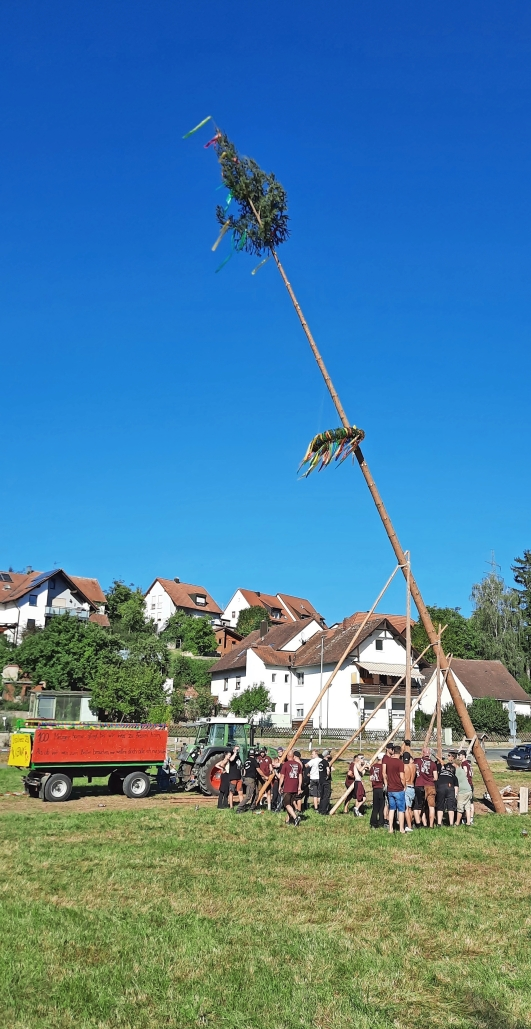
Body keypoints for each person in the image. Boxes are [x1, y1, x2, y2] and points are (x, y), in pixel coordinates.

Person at [382, 742, 406, 834]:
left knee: (392, 809)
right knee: (401, 810)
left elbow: (384, 774)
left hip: (390, 789)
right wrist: (404, 786)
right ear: (399, 752)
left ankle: (391, 828)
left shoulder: (388, 761)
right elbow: (402, 777)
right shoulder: (400, 763)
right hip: (398, 789)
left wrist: (387, 784)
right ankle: (401, 829)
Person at [413, 747, 438, 828]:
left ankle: (419, 823)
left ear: (422, 753)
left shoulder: (416, 761)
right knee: (431, 807)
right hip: (430, 785)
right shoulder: (433, 764)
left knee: (420, 806)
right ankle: (431, 825)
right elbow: (436, 777)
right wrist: (430, 778)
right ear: (429, 754)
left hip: (419, 784)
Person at [235, 747, 265, 813]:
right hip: (251, 779)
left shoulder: (246, 761)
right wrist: (265, 776)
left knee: (256, 793)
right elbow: (258, 770)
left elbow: (244, 771)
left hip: (246, 779)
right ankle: (239, 808)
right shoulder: (253, 760)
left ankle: (252, 807)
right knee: (248, 795)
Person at [279, 750, 302, 825]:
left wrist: (280, 786)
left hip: (288, 787)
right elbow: (300, 776)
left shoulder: (285, 764)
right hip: (295, 787)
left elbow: (282, 776)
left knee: (286, 804)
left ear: (287, 756)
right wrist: (299, 786)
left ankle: (296, 818)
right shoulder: (298, 765)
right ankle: (288, 820)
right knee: (290, 804)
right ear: (293, 756)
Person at [436, 752, 459, 826]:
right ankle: (451, 823)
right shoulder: (454, 776)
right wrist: (454, 796)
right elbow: (456, 787)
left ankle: (439, 823)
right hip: (450, 787)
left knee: (440, 805)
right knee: (450, 807)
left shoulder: (441, 772)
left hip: (441, 786)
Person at [455, 753, 473, 826]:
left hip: (462, 792)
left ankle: (457, 823)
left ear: (455, 764)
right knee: (467, 807)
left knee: (460, 808)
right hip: (469, 790)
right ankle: (468, 822)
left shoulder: (456, 772)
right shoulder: (462, 770)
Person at [369, 753, 386, 828]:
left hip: (375, 787)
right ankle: (381, 822)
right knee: (382, 806)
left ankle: (373, 822)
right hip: (381, 787)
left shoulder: (373, 767)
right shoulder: (383, 767)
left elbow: (370, 778)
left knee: (375, 807)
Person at [459, 749, 475, 824]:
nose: (459, 757)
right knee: (470, 802)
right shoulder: (469, 763)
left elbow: (465, 772)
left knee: (465, 802)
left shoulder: (464, 764)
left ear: (463, 756)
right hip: (471, 784)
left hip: (467, 785)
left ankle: (467, 818)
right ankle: (470, 818)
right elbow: (472, 773)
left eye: (460, 755)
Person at [402, 752, 416, 832]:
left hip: (406, 787)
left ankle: (409, 826)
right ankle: (410, 823)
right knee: (410, 808)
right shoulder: (414, 766)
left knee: (406, 808)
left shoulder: (403, 766)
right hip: (412, 787)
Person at [227, 745, 244, 809]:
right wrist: (234, 753)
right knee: (231, 792)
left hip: (239, 777)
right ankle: (231, 806)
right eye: (236, 749)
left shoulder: (239, 757)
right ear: (233, 750)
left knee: (240, 792)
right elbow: (231, 760)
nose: (237, 751)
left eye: (238, 749)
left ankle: (241, 806)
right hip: (233, 777)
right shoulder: (232, 756)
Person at [317, 749, 332, 815]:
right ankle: (324, 811)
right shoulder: (326, 762)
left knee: (322, 796)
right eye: (329, 754)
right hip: (326, 781)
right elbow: (328, 770)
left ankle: (320, 809)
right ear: (326, 755)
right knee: (326, 796)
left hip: (321, 780)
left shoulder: (320, 762)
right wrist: (328, 776)